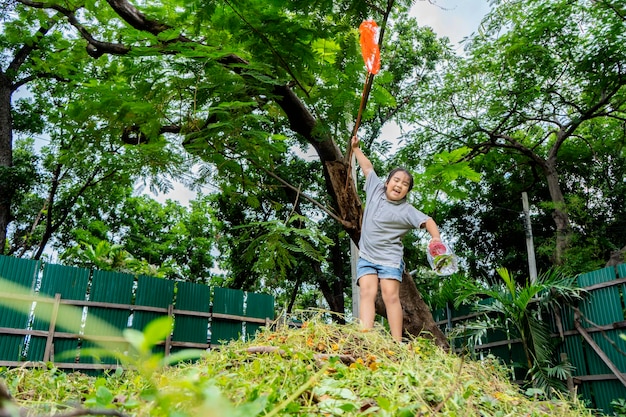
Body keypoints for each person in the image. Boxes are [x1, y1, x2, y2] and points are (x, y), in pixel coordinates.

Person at [351, 135, 443, 342]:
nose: (400, 185)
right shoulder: (375, 190)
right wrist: (356, 149)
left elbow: (428, 221)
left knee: (390, 296)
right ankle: (365, 337)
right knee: (367, 292)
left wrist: (435, 238)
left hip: (390, 260)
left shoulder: (407, 211)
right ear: (387, 182)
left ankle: (396, 342)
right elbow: (367, 168)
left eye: (405, 184)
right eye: (396, 180)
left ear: (407, 191)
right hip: (366, 255)